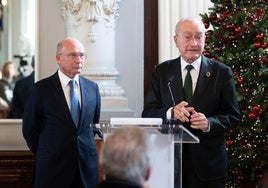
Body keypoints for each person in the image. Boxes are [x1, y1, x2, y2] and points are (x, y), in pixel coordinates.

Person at [142, 18, 241, 188]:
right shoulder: (162, 71)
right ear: (176, 40)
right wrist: (170, 112)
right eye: (188, 37)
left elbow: (233, 116)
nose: (194, 43)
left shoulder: (222, 72)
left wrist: (209, 123)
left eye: (199, 37)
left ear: (205, 39)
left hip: (208, 166)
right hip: (169, 163)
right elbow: (148, 113)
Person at [22, 38, 101, 188]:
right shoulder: (41, 90)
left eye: (82, 55)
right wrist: (50, 151)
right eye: (73, 55)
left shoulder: (92, 88)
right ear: (58, 58)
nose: (79, 60)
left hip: (86, 170)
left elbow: (92, 127)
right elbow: (29, 130)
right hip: (53, 169)